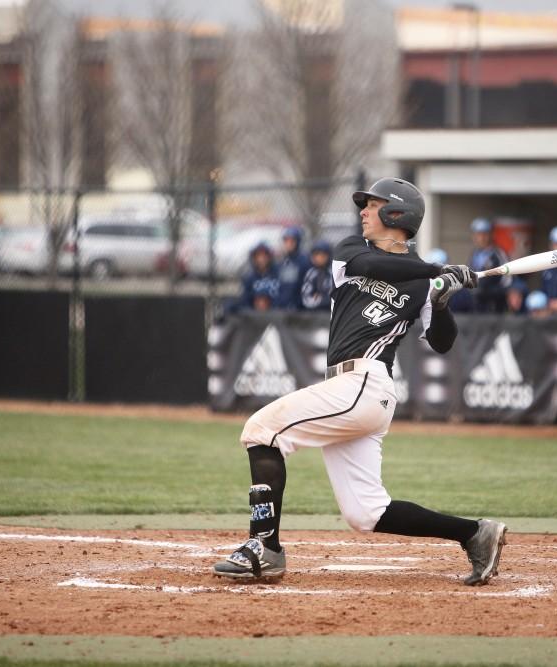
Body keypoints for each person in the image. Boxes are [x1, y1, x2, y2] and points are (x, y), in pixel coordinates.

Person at [212, 177, 508, 586]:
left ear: (397, 213)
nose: (363, 212)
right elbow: (373, 267)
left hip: (366, 385)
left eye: (372, 205)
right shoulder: (352, 252)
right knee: (365, 513)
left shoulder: (424, 285)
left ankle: (264, 548)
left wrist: (440, 300)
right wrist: (436, 271)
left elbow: (443, 342)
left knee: (262, 429)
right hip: (347, 390)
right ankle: (475, 534)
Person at [467, 218, 510, 313]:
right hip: (477, 305)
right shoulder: (474, 255)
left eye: (484, 234)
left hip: (494, 305)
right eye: (478, 234)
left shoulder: (498, 254)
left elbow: (507, 280)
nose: (482, 238)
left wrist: (490, 291)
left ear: (490, 235)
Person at [233, 242, 280, 313]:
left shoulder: (278, 274)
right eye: (258, 256)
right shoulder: (249, 278)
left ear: (269, 257)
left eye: (264, 256)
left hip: (276, 313)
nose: (261, 259)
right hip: (255, 316)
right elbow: (245, 299)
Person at [275, 227, 311, 310]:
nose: (288, 244)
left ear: (297, 242)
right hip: (284, 306)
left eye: (292, 241)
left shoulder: (304, 261)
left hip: (300, 308)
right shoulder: (282, 262)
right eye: (286, 241)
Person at [300, 240, 334, 311]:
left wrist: (319, 298)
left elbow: (334, 298)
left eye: (322, 255)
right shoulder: (311, 273)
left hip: (331, 313)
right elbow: (305, 298)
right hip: (313, 315)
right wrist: (321, 299)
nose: (319, 258)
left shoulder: (334, 272)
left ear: (328, 256)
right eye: (316, 255)